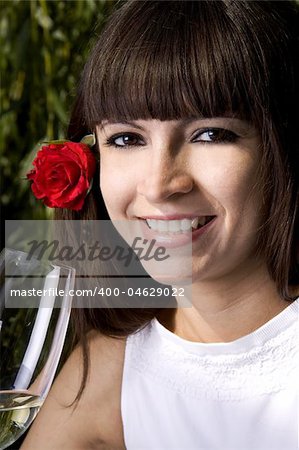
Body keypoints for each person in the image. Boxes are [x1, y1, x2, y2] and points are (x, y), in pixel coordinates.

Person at [22, 1, 299, 449]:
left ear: (283, 148)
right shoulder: (110, 367)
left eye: (210, 134)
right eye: (127, 139)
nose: (159, 184)